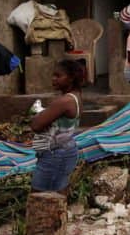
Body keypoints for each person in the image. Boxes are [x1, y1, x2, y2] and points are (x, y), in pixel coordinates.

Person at [28, 59, 87, 193]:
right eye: (53, 75)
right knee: (57, 194)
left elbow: (36, 125)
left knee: (39, 197)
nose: (53, 79)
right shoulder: (76, 97)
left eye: (58, 76)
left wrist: (37, 115)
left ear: (71, 78)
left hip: (55, 155)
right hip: (65, 151)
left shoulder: (64, 101)